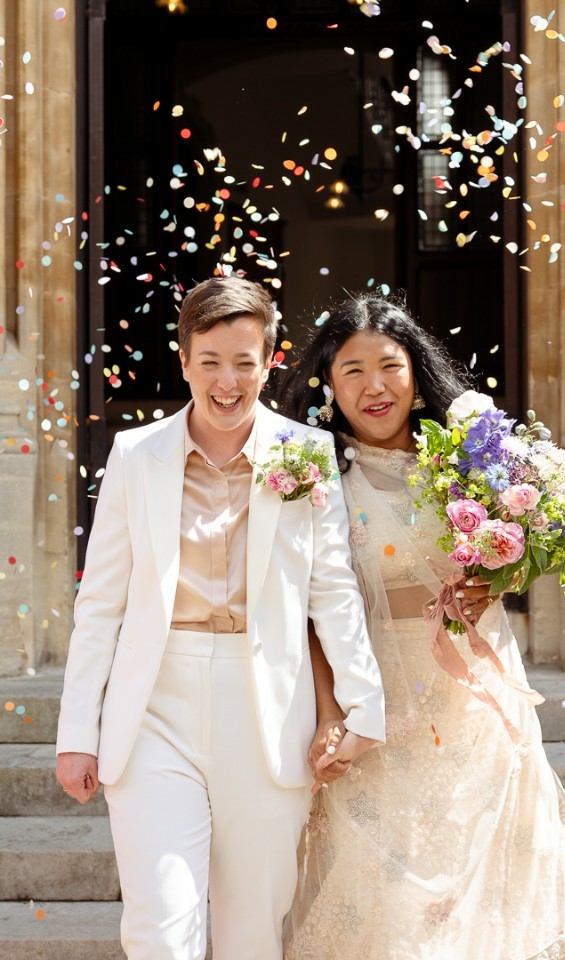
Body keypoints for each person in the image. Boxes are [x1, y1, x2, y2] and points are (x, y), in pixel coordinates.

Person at [55, 275, 386, 960]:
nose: (227, 381)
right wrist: (76, 732)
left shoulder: (304, 453)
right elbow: (101, 605)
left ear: (271, 361)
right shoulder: (135, 455)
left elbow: (332, 592)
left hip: (265, 708)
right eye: (210, 362)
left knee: (250, 931)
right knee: (159, 924)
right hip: (153, 708)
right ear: (183, 361)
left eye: (245, 362)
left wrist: (362, 706)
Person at [276, 293, 565, 960]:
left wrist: (499, 576)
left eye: (389, 366)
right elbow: (307, 616)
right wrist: (330, 713)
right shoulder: (310, 477)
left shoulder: (469, 461)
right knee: (385, 889)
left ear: (415, 370)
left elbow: (523, 545)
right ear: (328, 385)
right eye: (352, 371)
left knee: (481, 878)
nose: (374, 386)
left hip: (473, 702)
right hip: (373, 697)